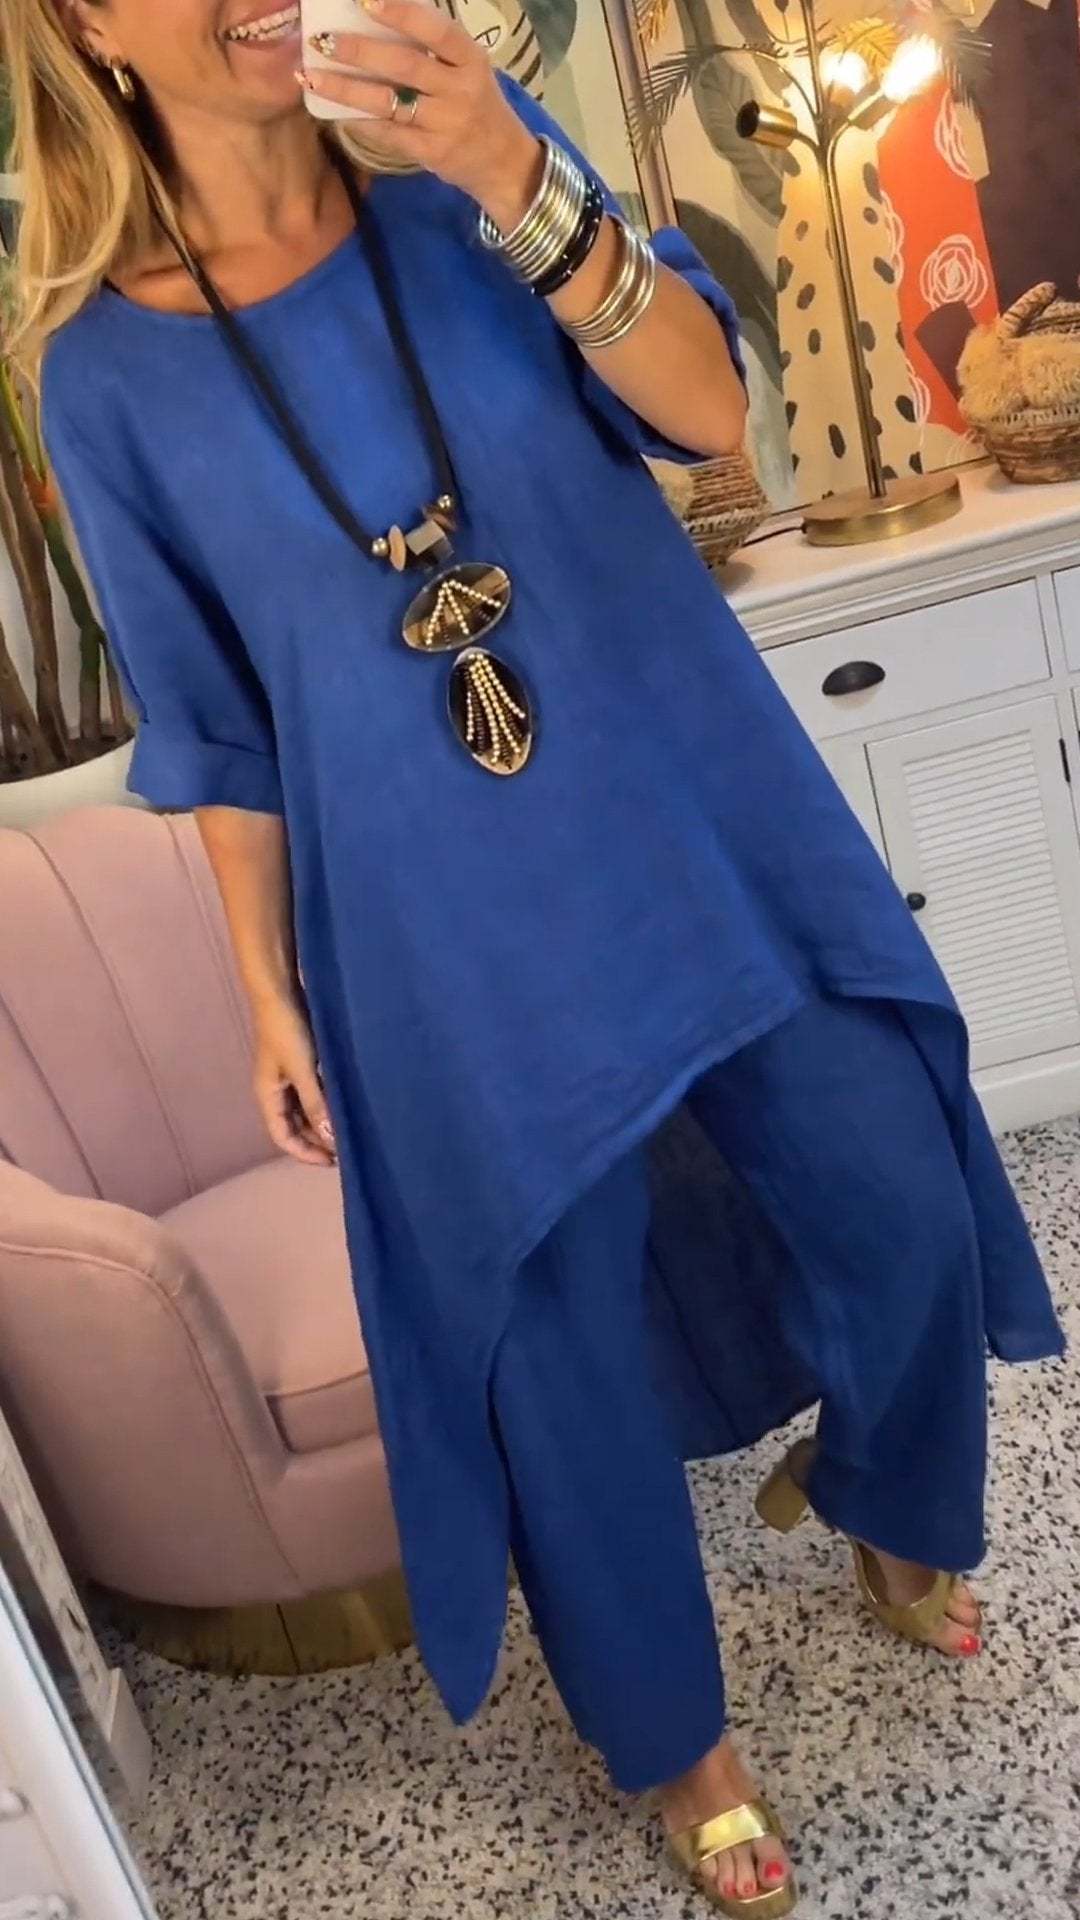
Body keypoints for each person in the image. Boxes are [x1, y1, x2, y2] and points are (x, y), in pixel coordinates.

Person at [8, 0, 1063, 1909]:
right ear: (89, 24)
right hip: (435, 927)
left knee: (897, 1182)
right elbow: (217, 729)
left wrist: (507, 161)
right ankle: (677, 1743)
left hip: (697, 815)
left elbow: (708, 412)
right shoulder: (98, 378)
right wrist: (264, 989)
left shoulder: (476, 196)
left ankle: (887, 1491)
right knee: (552, 1344)